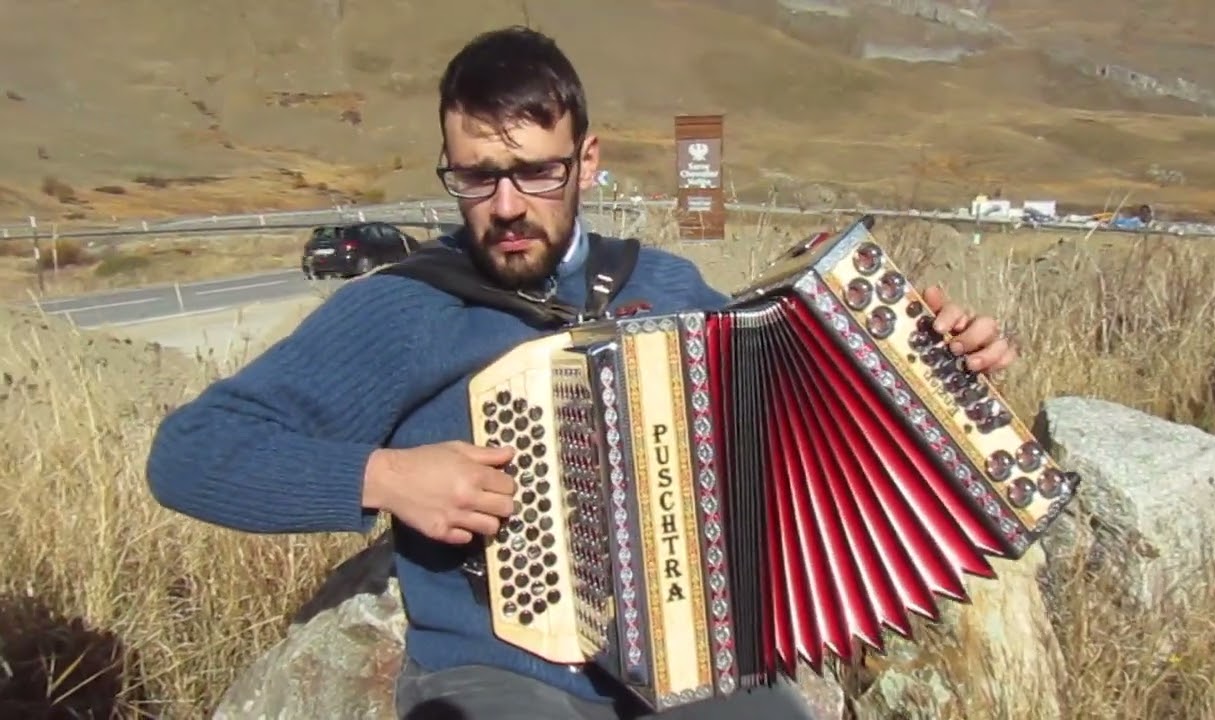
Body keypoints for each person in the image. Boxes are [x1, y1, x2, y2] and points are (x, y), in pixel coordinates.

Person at [145, 25, 1019, 720]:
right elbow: (189, 452)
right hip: (504, 668)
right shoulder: (408, 310)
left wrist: (933, 363)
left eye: (536, 171)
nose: (509, 205)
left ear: (587, 162)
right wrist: (385, 477)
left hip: (695, 656)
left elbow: (796, 409)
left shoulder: (668, 286)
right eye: (478, 178)